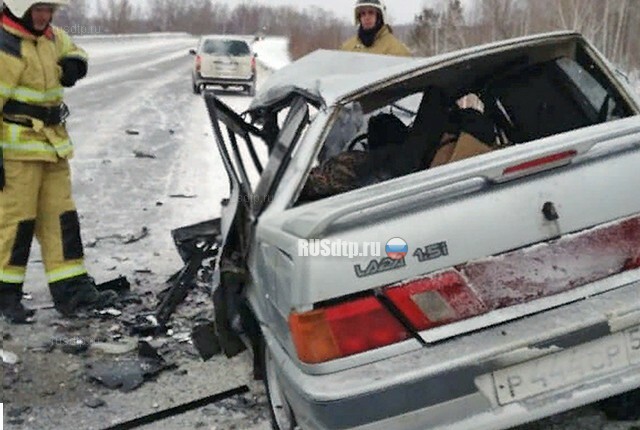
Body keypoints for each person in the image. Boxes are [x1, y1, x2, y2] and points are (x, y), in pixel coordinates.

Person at [0, 0, 116, 323]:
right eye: (37, 9)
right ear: (18, 9)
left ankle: (71, 290)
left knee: (61, 218)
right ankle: (5, 293)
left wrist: (74, 65)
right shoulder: (5, 46)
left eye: (47, 9)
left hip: (52, 146)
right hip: (17, 151)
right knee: (16, 223)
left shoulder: (52, 37)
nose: (43, 16)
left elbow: (75, 50)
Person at [340, 0, 411, 57]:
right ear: (359, 18)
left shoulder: (397, 51)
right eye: (363, 14)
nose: (367, 18)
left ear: (379, 17)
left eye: (371, 13)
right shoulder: (347, 48)